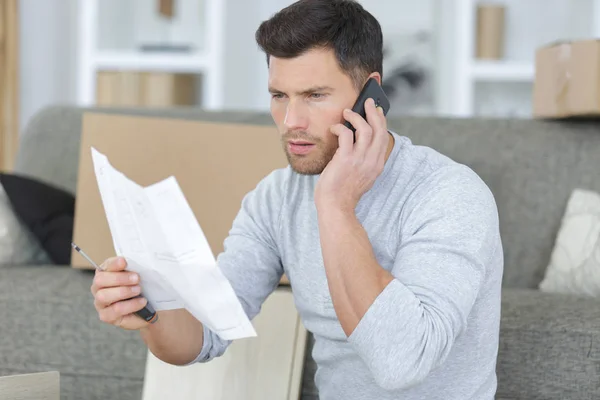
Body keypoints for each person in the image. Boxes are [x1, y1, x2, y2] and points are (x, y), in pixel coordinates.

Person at [90, 0, 504, 398]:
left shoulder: (450, 195)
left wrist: (336, 206)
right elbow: (206, 334)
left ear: (371, 96)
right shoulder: (275, 199)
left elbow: (403, 363)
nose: (292, 122)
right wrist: (148, 308)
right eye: (279, 96)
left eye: (314, 95)